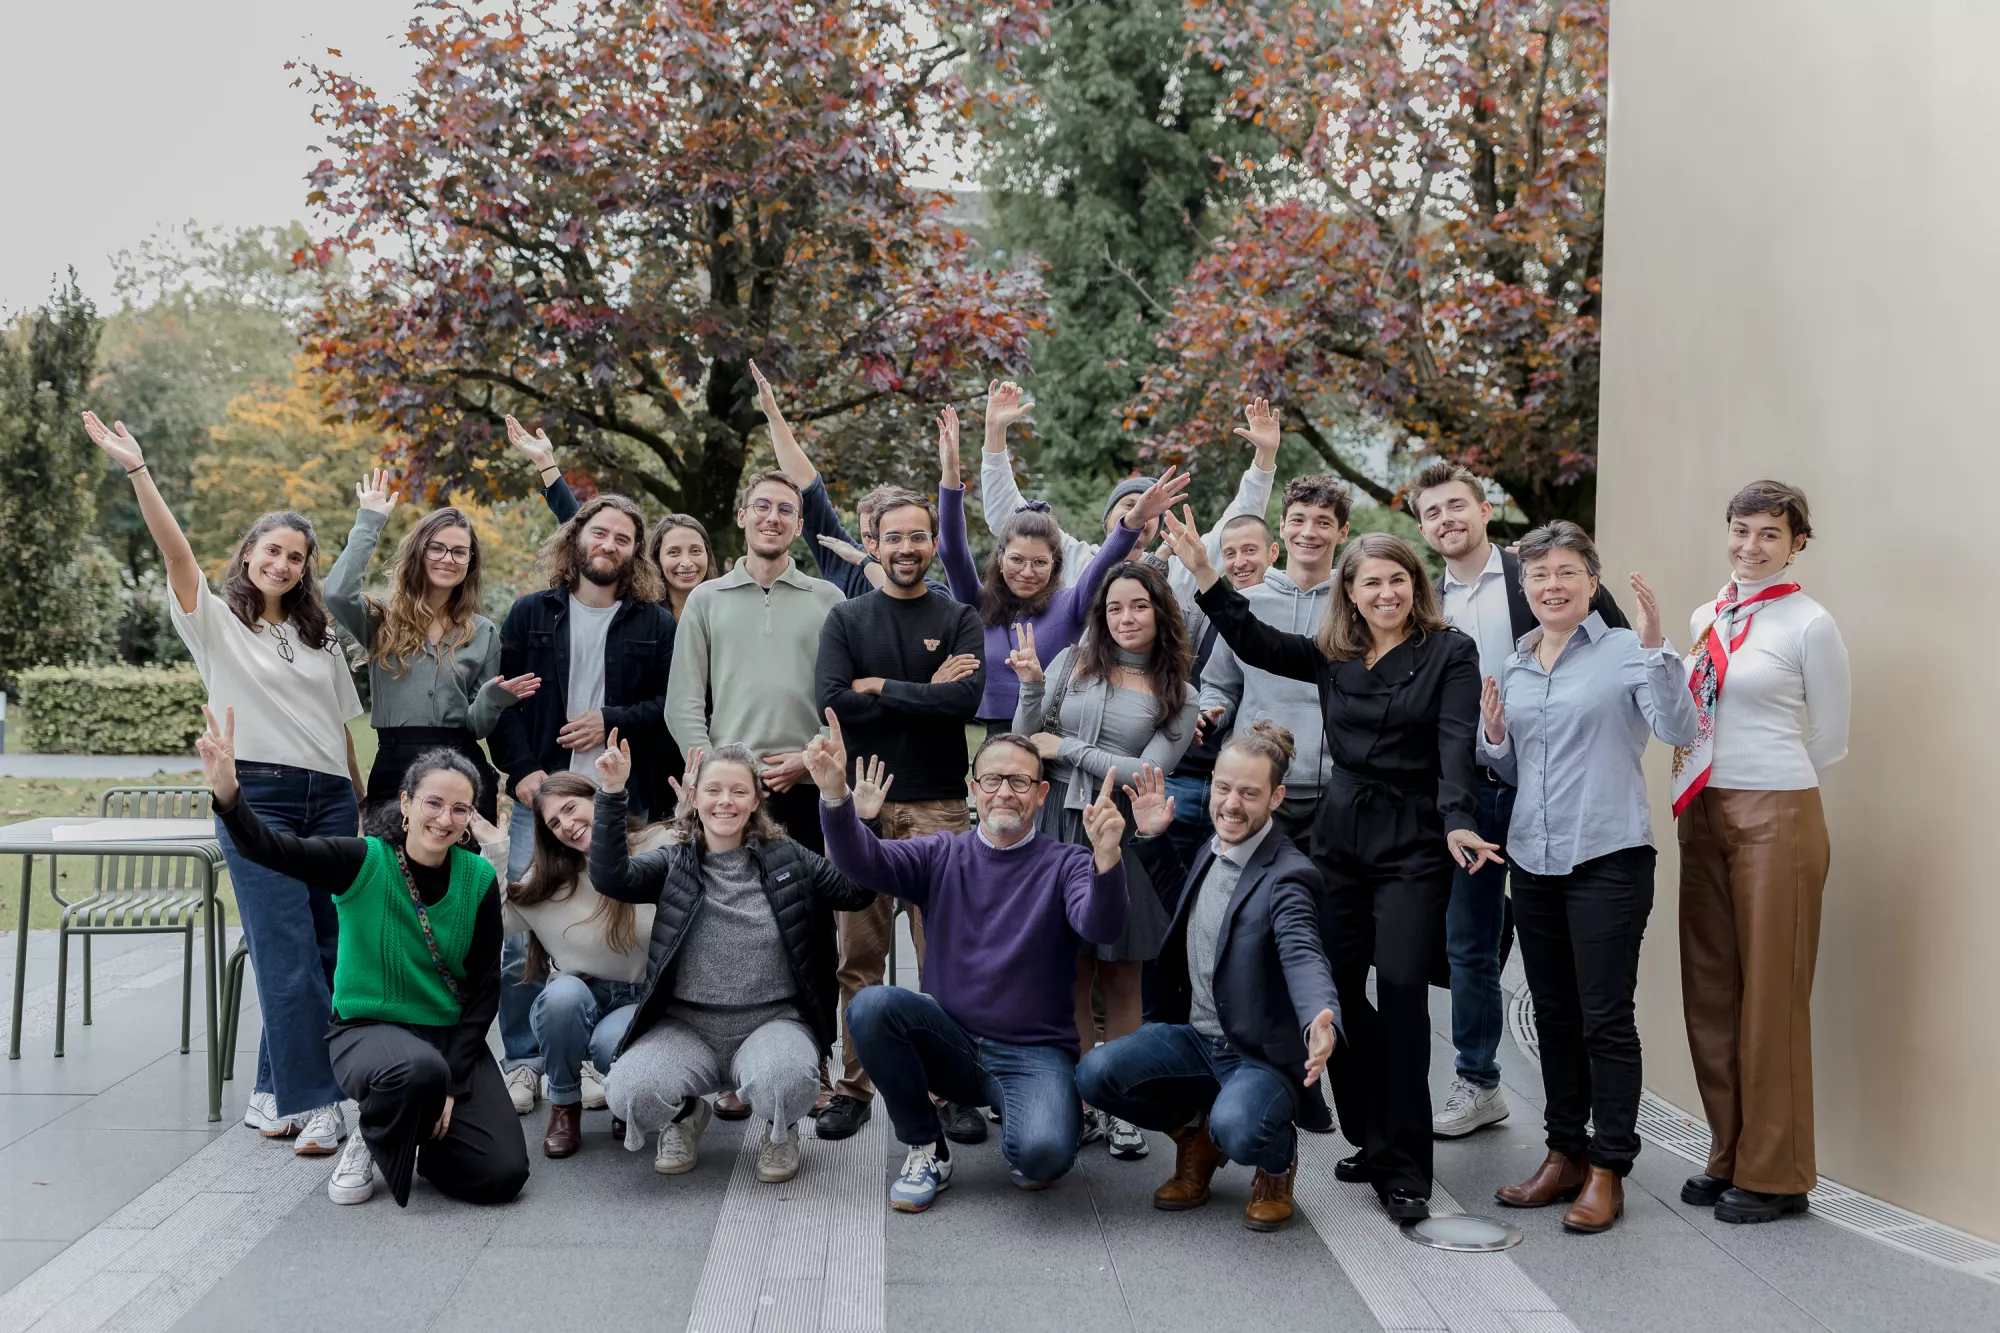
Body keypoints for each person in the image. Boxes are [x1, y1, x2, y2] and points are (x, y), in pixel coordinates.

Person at [1164, 511, 1490, 1222]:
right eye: (1371, 581)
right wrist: (1204, 573)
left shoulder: (1450, 652)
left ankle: (1404, 1166)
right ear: (1350, 590)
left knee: (1402, 995)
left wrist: (1460, 817)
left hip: (1411, 841)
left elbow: (1458, 742)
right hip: (1340, 841)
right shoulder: (1333, 653)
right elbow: (1252, 639)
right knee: (1333, 991)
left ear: (1415, 585)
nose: (1385, 592)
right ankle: (1372, 1134)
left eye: (1397, 579)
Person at [84, 411, 365, 1156]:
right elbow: (175, 553)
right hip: (258, 798)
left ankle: (275, 1092)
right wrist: (139, 471)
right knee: (285, 950)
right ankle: (320, 1100)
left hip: (332, 797)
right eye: (273, 549)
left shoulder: (319, 635)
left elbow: (340, 726)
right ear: (248, 552)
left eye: (297, 556)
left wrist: (358, 797)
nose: (284, 563)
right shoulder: (212, 620)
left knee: (333, 950)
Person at [195, 710, 528, 1208]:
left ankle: (413, 1137)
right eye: (433, 803)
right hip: (368, 1034)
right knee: (417, 1071)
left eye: (460, 809)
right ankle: (373, 1134)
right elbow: (272, 850)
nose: (444, 818)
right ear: (406, 803)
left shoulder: (477, 880)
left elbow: (484, 993)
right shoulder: (363, 860)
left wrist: (456, 1083)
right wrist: (229, 795)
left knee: (501, 1175)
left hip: (448, 1037)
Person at [808, 720, 1130, 1211]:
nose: (1005, 792)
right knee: (872, 1007)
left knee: (1042, 1159)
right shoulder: (943, 852)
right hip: (952, 1042)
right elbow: (865, 863)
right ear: (973, 789)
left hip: (1033, 1053)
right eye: (993, 780)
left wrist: (1107, 860)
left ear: (1041, 793)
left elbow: (1101, 926)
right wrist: (835, 798)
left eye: (1020, 781)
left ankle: (1031, 1126)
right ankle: (925, 1147)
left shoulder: (1066, 862)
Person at [1475, 522, 1696, 1233]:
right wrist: (1496, 735)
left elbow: (1680, 727)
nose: (1552, 586)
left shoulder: (1629, 651)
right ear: (1526, 587)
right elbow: (1509, 768)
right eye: (1539, 576)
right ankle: (1563, 1151)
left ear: (1591, 583)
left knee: (1605, 1019)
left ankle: (1609, 1165)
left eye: (1566, 572)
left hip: (1607, 857)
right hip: (1534, 863)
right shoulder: (1513, 661)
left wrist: (1662, 649)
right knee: (1554, 1014)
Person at [1411, 459, 1630, 1140]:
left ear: (1483, 507)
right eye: (1431, 512)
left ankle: (1587, 1109)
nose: (1445, 519)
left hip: (1546, 786)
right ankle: (1479, 1082)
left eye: (1456, 505)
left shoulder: (1537, 573)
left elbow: (1618, 642)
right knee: (1469, 943)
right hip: (1468, 793)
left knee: (1559, 952)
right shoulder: (1425, 599)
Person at [1076, 732, 1340, 1231]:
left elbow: (1302, 951)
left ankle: (1276, 1164)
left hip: (1255, 1054)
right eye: (1223, 789)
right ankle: (1195, 1138)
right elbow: (1190, 908)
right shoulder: (1213, 847)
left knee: (1238, 1128)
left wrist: (1319, 1017)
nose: (1231, 805)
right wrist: (1152, 839)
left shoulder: (1290, 876)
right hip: (1196, 1038)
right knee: (1095, 1073)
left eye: (1249, 793)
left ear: (1276, 798)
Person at [1673, 481, 1849, 1226]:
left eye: (1769, 534)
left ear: (1797, 542)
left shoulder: (1811, 624)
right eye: (1741, 530)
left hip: (1777, 810)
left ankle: (1777, 1172)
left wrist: (1763, 775)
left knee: (1772, 996)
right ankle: (1730, 1151)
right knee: (1712, 987)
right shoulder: (1707, 614)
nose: (1751, 546)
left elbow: (1830, 736)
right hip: (1703, 808)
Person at [585, 735, 875, 1184]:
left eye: (739, 791)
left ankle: (781, 1131)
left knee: (788, 1081)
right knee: (629, 1092)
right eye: (713, 790)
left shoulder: (789, 859)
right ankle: (685, 1114)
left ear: (757, 799)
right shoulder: (675, 862)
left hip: (771, 1021)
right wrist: (611, 792)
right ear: (694, 798)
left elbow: (855, 892)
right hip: (686, 1027)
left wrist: (849, 809)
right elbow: (610, 876)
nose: (726, 801)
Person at [489, 495, 678, 1117]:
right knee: (523, 931)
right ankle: (524, 1061)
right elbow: (502, 704)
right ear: (577, 538)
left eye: (624, 539)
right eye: (601, 533)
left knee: (624, 925)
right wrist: (522, 773)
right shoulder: (530, 614)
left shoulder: (653, 622)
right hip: (543, 802)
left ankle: (607, 1049)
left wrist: (610, 720)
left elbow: (666, 708)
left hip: (620, 801)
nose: (610, 545)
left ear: (634, 552)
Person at [812, 488, 988, 1142]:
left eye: (919, 536)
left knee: (944, 951)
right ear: (874, 541)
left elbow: (964, 701)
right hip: (862, 803)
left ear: (933, 543)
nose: (908, 548)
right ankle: (857, 1086)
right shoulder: (847, 619)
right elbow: (833, 701)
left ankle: (951, 1087)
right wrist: (925, 692)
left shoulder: (959, 615)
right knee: (859, 952)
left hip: (939, 802)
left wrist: (880, 687)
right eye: (895, 537)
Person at [1010, 561, 1199, 1159]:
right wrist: (1032, 691)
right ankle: (1079, 1100)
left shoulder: (1181, 694)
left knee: (1121, 975)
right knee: (1069, 971)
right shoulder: (1072, 662)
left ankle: (1120, 1103)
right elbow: (1024, 746)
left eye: (1138, 606)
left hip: (1122, 834)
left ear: (1160, 611)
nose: (1126, 618)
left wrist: (1066, 747)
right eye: (1115, 607)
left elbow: (1148, 775)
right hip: (1059, 829)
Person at [939, 399, 1189, 732]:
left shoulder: (1068, 606)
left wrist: (1134, 519)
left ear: (1056, 564)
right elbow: (952, 550)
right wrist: (951, 472)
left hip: (1053, 737)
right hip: (994, 738)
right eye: (1017, 560)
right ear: (1000, 560)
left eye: (1040, 562)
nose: (1027, 572)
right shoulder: (978, 601)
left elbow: (1103, 564)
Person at [471, 771, 669, 1158]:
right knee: (559, 998)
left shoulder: (653, 844)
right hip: (585, 993)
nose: (567, 825)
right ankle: (564, 1104)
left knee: (610, 1043)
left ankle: (623, 1096)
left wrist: (693, 806)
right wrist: (495, 853)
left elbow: (703, 859)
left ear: (596, 800)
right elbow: (490, 926)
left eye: (571, 808)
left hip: (642, 997)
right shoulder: (549, 881)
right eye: (554, 823)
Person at [326, 471, 539, 824]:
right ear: (419, 552)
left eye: (459, 551)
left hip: (461, 767)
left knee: (460, 876)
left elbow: (476, 727)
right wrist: (369, 522)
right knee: (393, 875)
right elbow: (336, 594)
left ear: (470, 562)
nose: (447, 558)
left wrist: (492, 699)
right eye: (437, 548)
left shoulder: (482, 631)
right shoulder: (382, 619)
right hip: (395, 765)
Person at [668, 467, 843, 856]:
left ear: (798, 526)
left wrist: (811, 755)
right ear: (742, 516)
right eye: (761, 506)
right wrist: (716, 775)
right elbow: (683, 703)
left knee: (807, 910)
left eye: (785, 510)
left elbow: (844, 697)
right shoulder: (706, 599)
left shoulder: (829, 599)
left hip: (807, 784)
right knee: (729, 906)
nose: (772, 517)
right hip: (731, 795)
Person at [978, 384, 1279, 593]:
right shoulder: (1074, 558)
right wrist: (994, 434)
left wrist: (1264, 459)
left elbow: (1238, 525)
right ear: (1108, 519)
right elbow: (1007, 518)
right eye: (1129, 505)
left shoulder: (1182, 572)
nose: (1140, 512)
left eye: (1151, 509)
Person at [1199, 470, 1353, 851]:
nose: (1309, 532)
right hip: (1257, 783)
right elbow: (1219, 682)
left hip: (1333, 788)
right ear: (1282, 528)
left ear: (1343, 533)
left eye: (1323, 522)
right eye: (1298, 520)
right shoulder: (1247, 604)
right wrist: (1210, 709)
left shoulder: (1355, 605)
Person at [745, 362, 953, 602]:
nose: (874, 544)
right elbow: (807, 486)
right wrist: (772, 413)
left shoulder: (933, 593)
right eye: (867, 536)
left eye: (887, 535)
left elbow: (901, 594)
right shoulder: (841, 557)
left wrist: (861, 561)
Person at [506, 414, 721, 620]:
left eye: (695, 551)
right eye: (673, 552)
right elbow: (582, 529)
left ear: (708, 555)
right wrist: (546, 463)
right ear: (656, 559)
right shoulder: (641, 616)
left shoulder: (724, 610)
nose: (686, 562)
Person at [1166, 512, 1282, 866]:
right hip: (1186, 774)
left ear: (1273, 552)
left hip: (1249, 783)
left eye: (1250, 550)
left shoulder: (1287, 612)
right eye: (1230, 553)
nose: (1239, 562)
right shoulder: (1208, 610)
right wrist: (1207, 714)